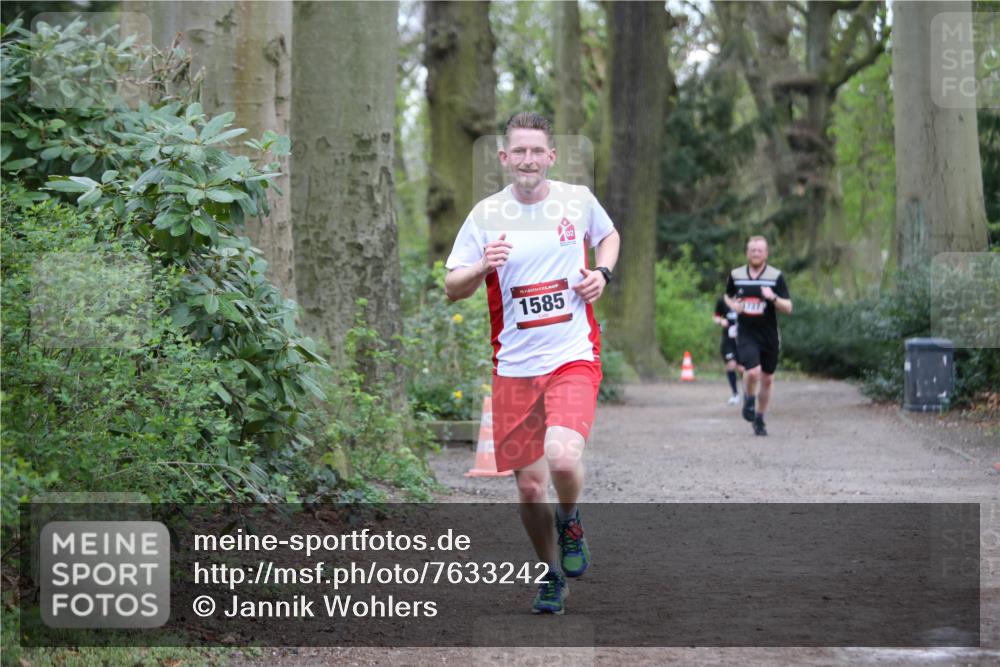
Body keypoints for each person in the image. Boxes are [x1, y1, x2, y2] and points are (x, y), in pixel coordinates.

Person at [444, 112, 620, 615]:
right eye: (517, 151)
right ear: (504, 158)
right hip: (515, 366)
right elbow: (452, 287)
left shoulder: (577, 200)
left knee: (563, 458)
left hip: (572, 355)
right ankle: (550, 576)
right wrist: (482, 266)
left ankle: (571, 519)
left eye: (535, 151)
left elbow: (609, 236)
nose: (527, 160)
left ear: (550, 156)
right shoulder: (484, 216)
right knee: (527, 486)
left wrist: (602, 273)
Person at [725, 236, 792, 436]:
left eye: (759, 250)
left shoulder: (775, 276)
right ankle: (749, 399)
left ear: (766, 253)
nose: (755, 253)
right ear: (747, 252)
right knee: (753, 371)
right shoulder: (736, 275)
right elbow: (728, 297)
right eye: (752, 250)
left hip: (769, 335)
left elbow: (788, 307)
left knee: (768, 379)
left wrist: (772, 297)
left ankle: (760, 418)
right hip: (746, 333)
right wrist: (734, 305)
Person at [713, 295, 743, 405]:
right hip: (727, 340)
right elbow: (715, 317)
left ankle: (748, 393)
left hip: (742, 340)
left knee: (741, 369)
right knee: (731, 365)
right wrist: (720, 321)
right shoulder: (722, 300)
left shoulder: (744, 298)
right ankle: (735, 394)